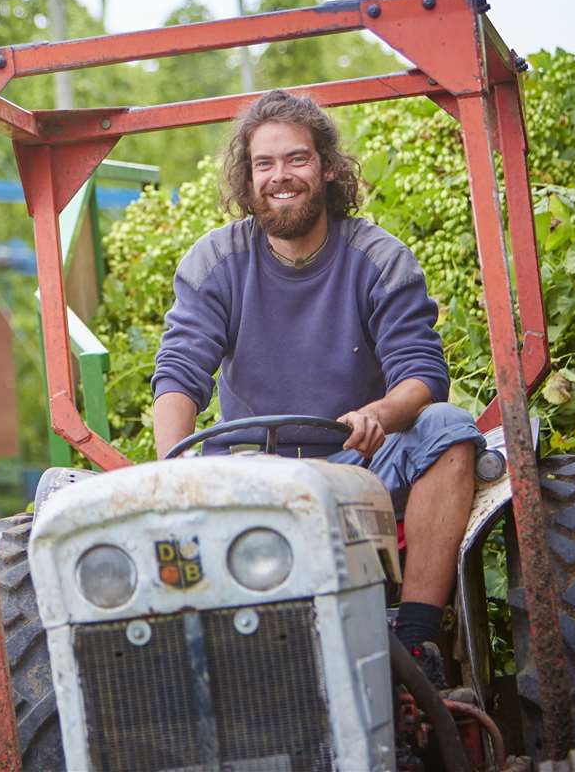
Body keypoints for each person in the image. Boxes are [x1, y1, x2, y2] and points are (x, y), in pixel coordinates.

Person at [148, 89, 482, 685]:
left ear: (328, 168)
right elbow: (181, 370)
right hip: (253, 472)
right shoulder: (216, 262)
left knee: (450, 430)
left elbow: (421, 374)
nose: (282, 177)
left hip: (359, 465)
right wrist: (168, 469)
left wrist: (379, 412)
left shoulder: (378, 258)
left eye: (297, 159)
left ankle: (416, 643)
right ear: (247, 180)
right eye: (265, 164)